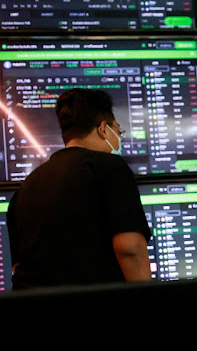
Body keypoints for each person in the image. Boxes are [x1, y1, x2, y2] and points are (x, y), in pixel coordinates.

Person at [8, 88, 152, 290]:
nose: (119, 139)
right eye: (118, 132)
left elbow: (18, 266)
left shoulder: (26, 186)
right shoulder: (110, 167)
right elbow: (129, 248)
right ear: (103, 129)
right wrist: (150, 304)